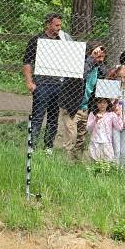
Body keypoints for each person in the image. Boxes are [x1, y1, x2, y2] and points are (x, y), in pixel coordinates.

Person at [23, 12, 72, 153]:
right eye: (56, 25)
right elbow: (27, 62)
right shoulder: (36, 40)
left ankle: (48, 147)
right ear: (48, 24)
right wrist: (29, 82)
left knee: (53, 117)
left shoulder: (63, 40)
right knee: (38, 115)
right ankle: (32, 145)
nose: (59, 28)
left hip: (59, 85)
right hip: (42, 84)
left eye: (60, 25)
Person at [57, 42, 106, 159]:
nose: (100, 58)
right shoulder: (79, 64)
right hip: (71, 107)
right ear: (90, 53)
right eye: (98, 55)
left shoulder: (98, 69)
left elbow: (104, 76)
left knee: (81, 139)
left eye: (102, 56)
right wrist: (91, 58)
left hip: (85, 108)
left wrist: (99, 62)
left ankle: (76, 164)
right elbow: (82, 74)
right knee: (72, 137)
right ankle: (66, 165)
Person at [86, 97, 124, 163]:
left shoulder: (111, 115)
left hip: (106, 142)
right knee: (94, 162)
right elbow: (88, 128)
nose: (102, 105)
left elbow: (119, 127)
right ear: (96, 104)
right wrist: (95, 120)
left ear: (107, 104)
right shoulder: (92, 114)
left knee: (107, 163)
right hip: (95, 142)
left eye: (104, 103)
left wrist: (118, 116)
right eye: (99, 102)